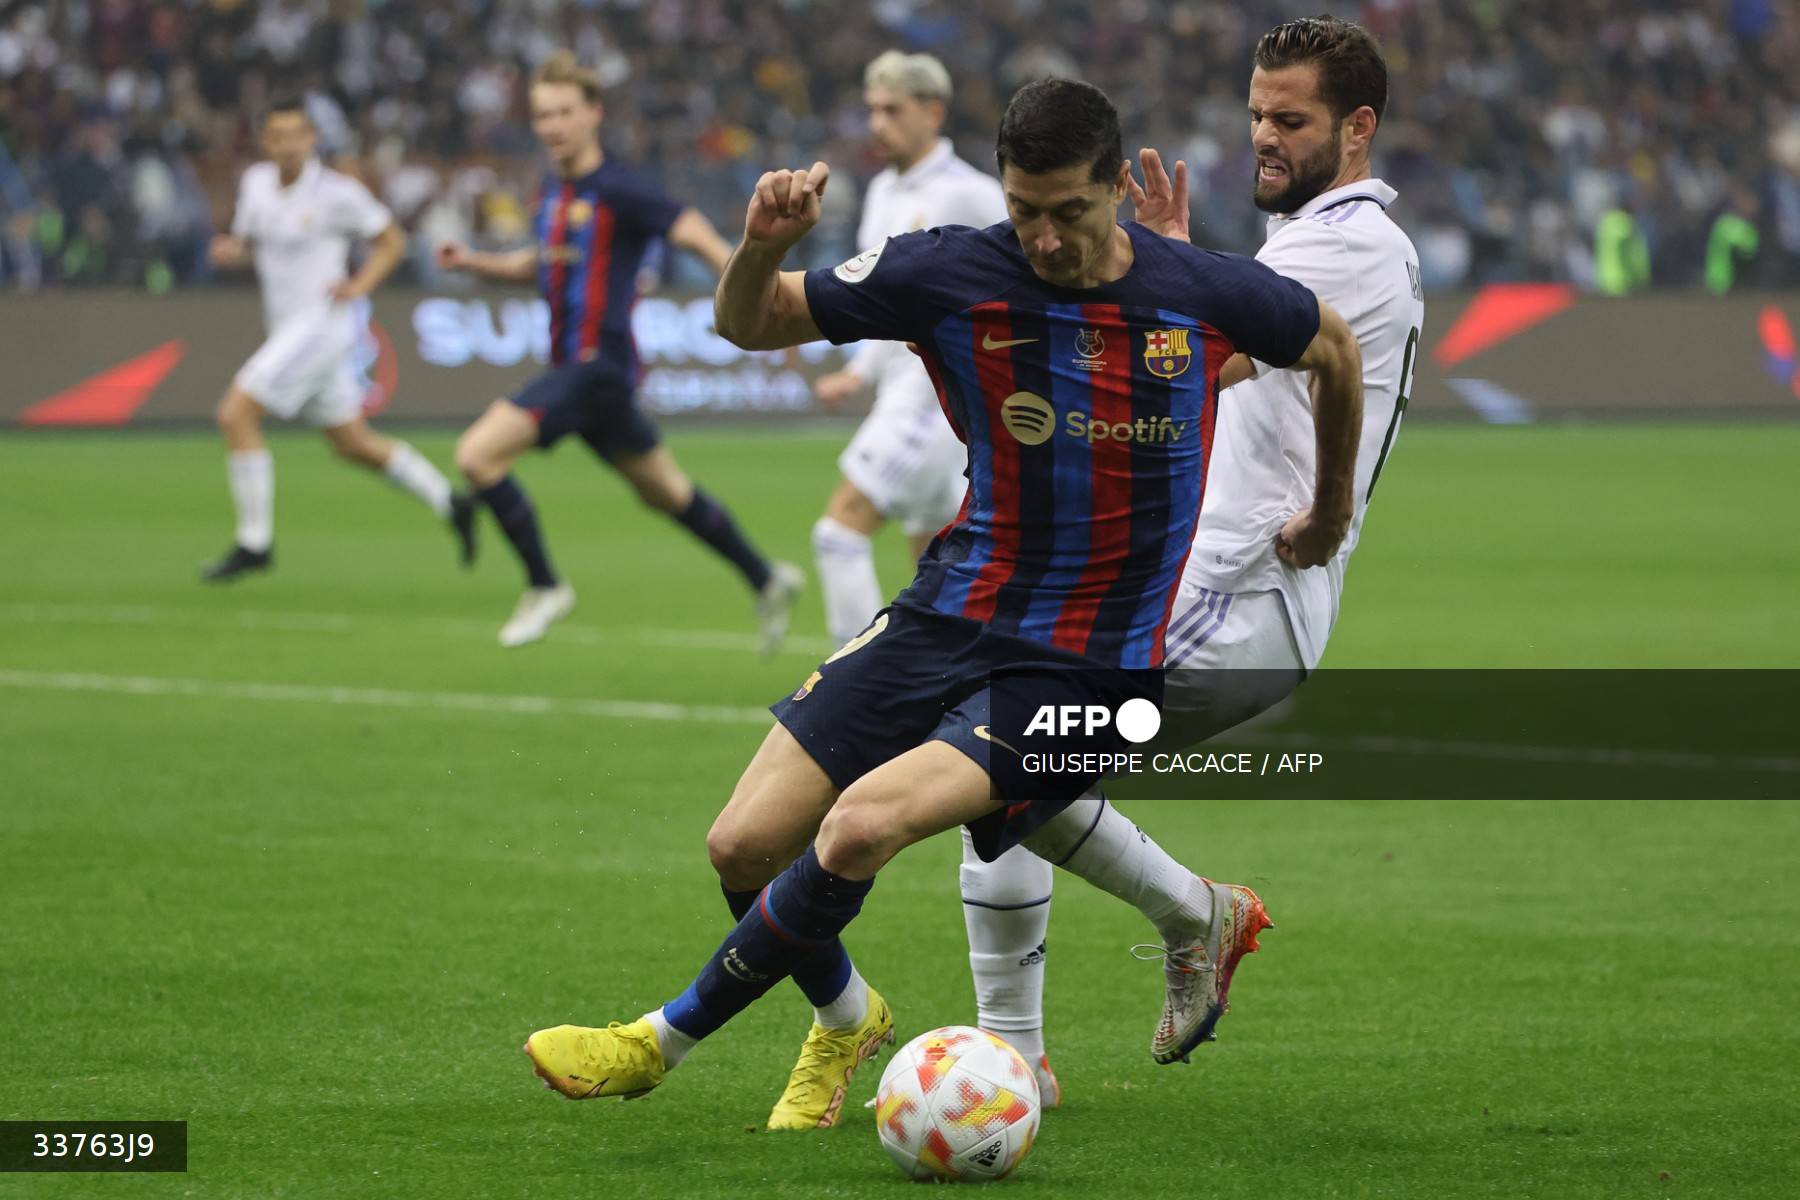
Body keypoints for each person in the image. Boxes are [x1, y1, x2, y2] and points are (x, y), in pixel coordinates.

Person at [519, 78, 1364, 1124]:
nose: (1045, 239)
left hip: (1092, 662)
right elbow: (753, 324)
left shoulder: (1198, 288)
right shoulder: (952, 267)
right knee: (741, 844)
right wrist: (761, 247)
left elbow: (1334, 346)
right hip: (948, 609)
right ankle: (844, 1018)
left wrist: (1327, 511)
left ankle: (657, 1041)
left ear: (1113, 189)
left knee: (862, 825)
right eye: (1025, 212)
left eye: (1069, 213)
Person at [960, 14, 1425, 1072]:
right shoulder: (1322, 241)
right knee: (992, 753)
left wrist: (1150, 277)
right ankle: (1028, 1049)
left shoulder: (1340, 247)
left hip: (1238, 598)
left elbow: (1184, 366)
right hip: (1219, 593)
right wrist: (1170, 264)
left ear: (1358, 128)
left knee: (985, 748)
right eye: (1258, 113)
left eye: (1290, 119)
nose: (1264, 134)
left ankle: (1149, 950)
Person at [438, 52, 803, 649]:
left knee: (477, 457)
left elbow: (696, 234)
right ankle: (765, 577)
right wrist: (475, 263)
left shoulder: (621, 188)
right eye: (541, 114)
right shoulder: (554, 191)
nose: (551, 124)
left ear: (593, 115)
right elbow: (540, 264)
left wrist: (768, 299)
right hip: (581, 374)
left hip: (597, 367)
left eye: (563, 112)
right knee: (667, 493)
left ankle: (545, 584)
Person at [203, 99, 472, 582]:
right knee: (351, 443)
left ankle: (254, 542)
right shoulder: (256, 185)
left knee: (235, 413)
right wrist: (232, 251)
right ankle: (451, 501)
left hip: (321, 326)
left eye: (296, 135)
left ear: (312, 140)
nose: (286, 145)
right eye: (276, 136)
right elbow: (249, 244)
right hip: (286, 328)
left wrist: (359, 286)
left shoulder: (336, 192)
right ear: (266, 142)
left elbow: (392, 241)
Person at [809, 51, 1007, 648]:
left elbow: (1031, 267)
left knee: (838, 533)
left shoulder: (970, 195)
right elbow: (878, 297)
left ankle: (845, 693)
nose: (876, 123)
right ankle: (960, 681)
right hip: (900, 391)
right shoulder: (882, 192)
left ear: (932, 112)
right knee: (938, 565)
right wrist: (860, 368)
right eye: (871, 110)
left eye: (891, 110)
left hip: (934, 398)